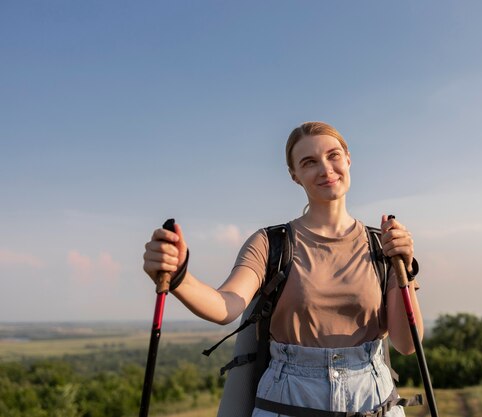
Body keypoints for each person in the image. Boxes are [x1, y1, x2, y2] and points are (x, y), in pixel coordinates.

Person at [143, 121, 423, 416]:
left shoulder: (383, 245)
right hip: (288, 400)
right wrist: (179, 276)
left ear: (348, 159)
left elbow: (407, 343)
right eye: (309, 162)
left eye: (333, 155)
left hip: (373, 400)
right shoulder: (270, 243)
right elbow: (227, 306)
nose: (325, 168)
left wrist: (405, 267)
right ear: (295, 176)